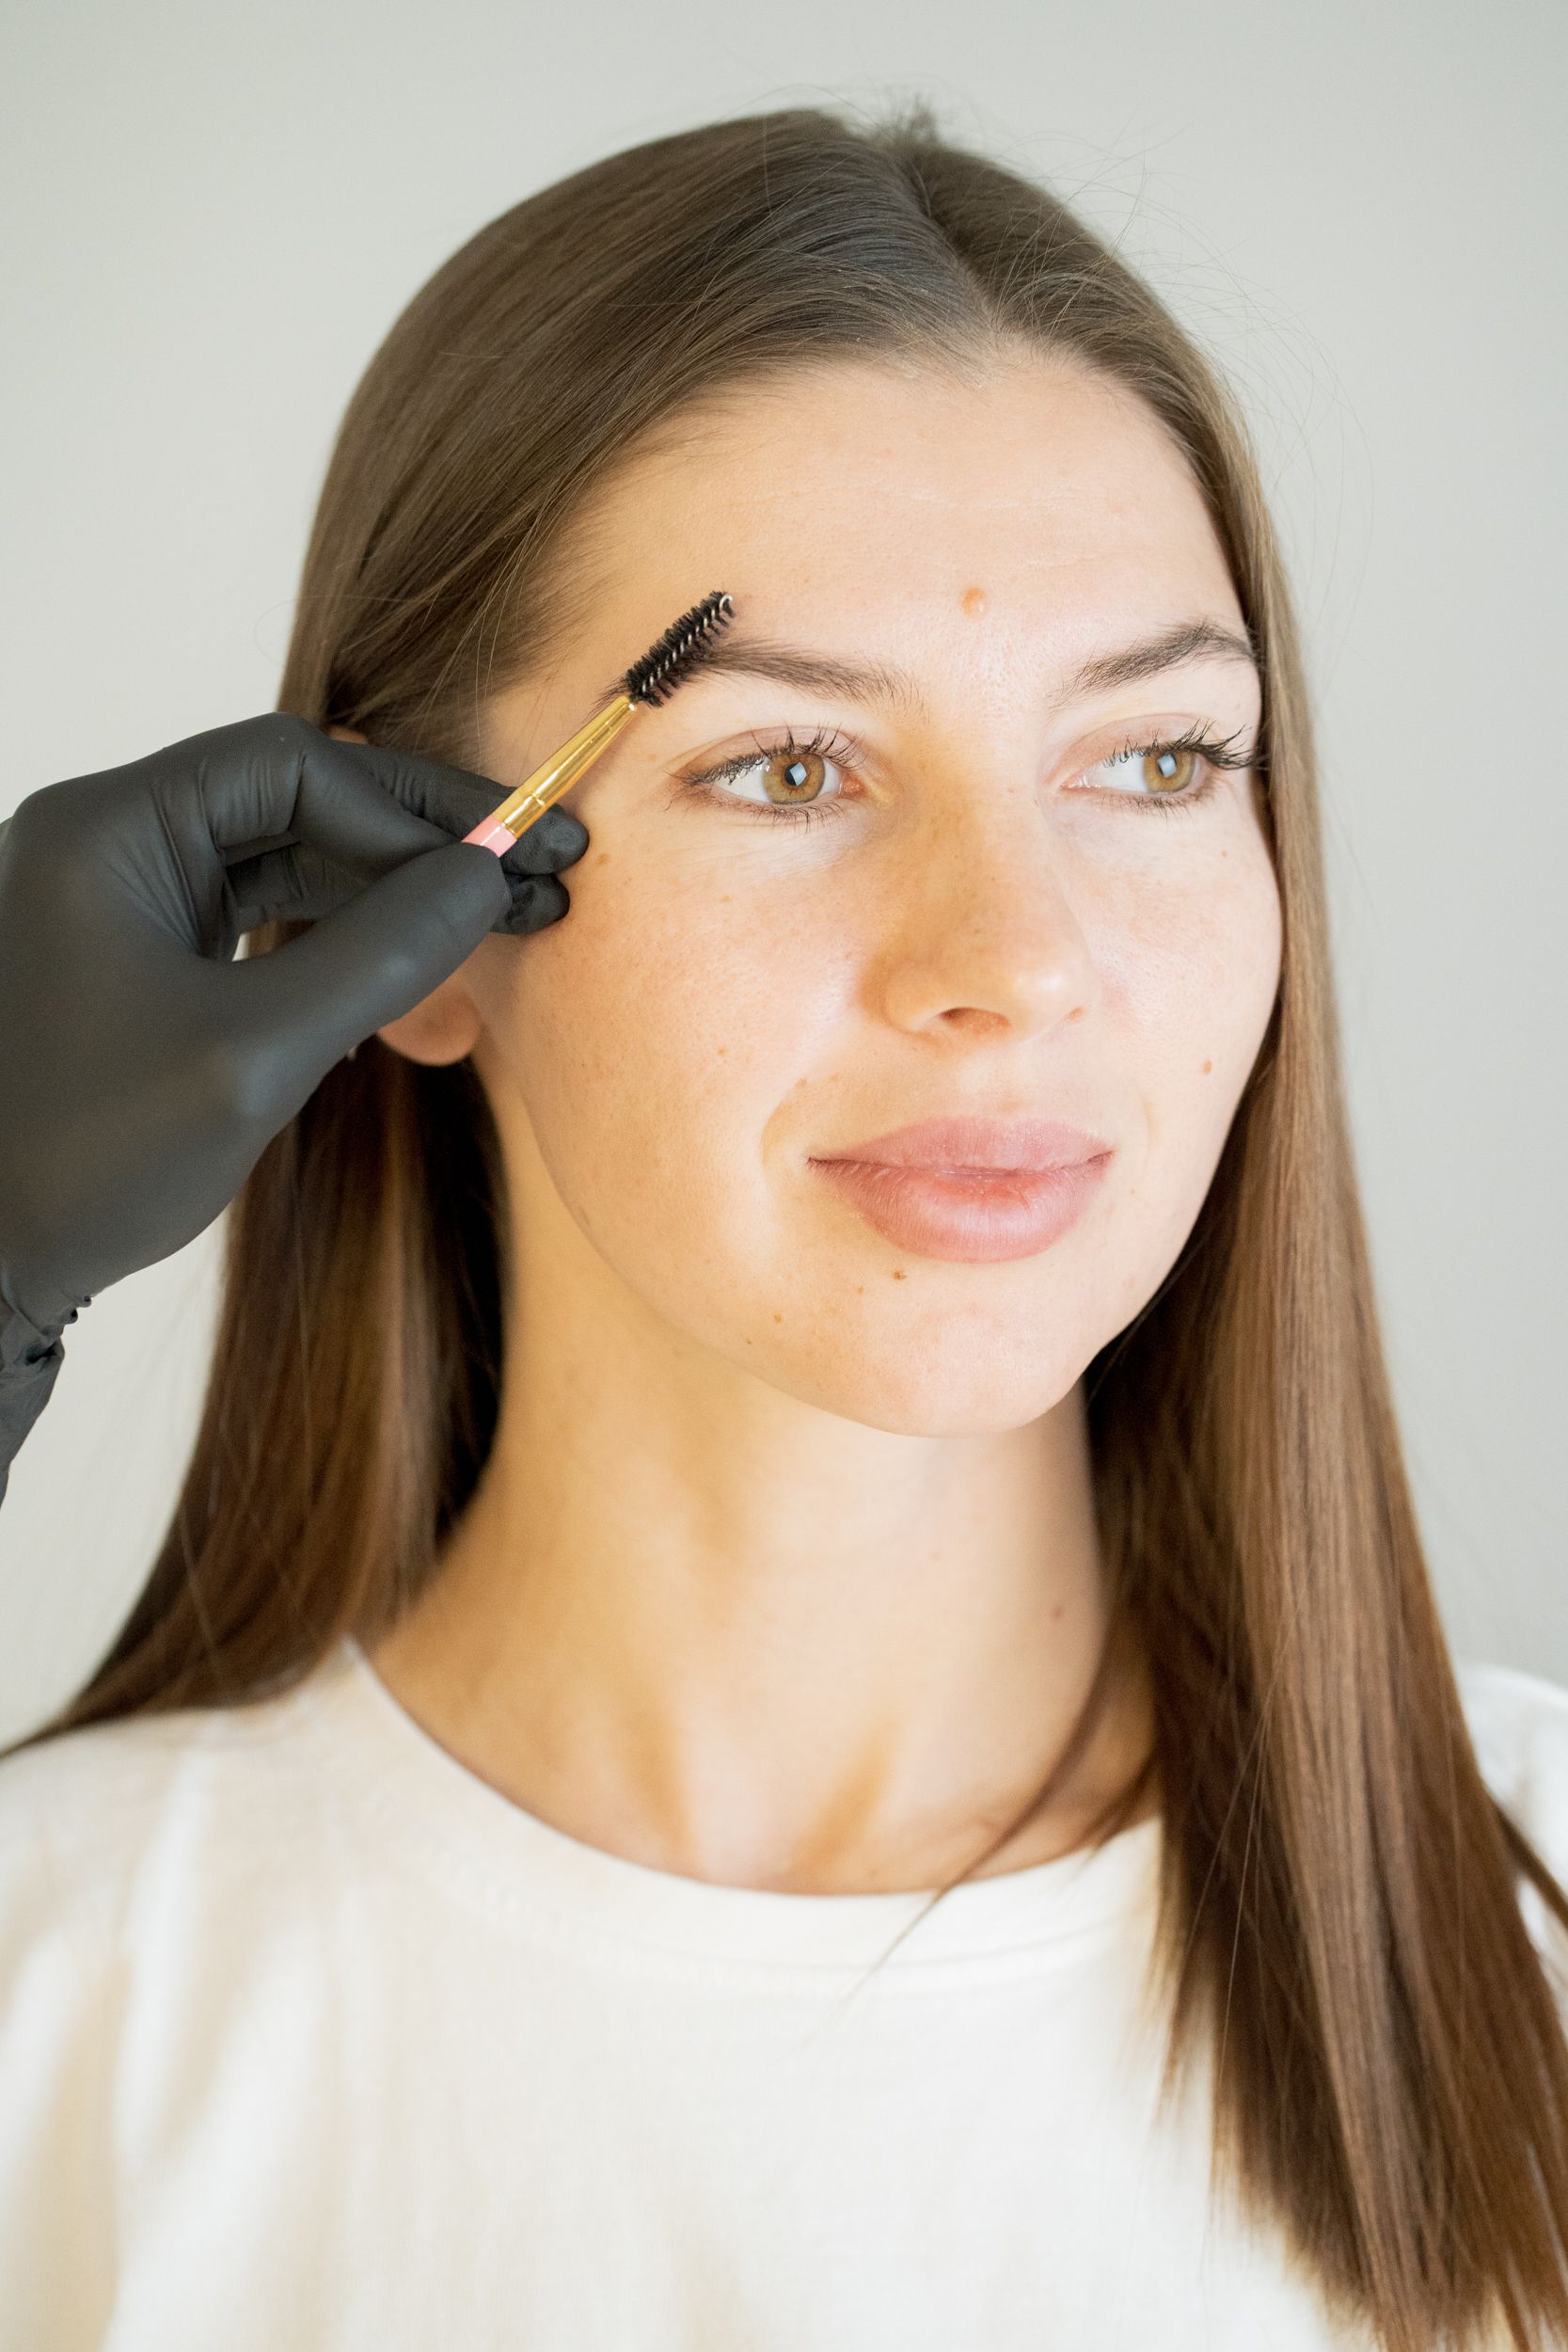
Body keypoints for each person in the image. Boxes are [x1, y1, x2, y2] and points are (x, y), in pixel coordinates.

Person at [2, 99, 1566, 2352]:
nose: (1016, 955)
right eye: (785, 768)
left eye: (1155, 761)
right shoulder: (57, 2006)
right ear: (405, 916)